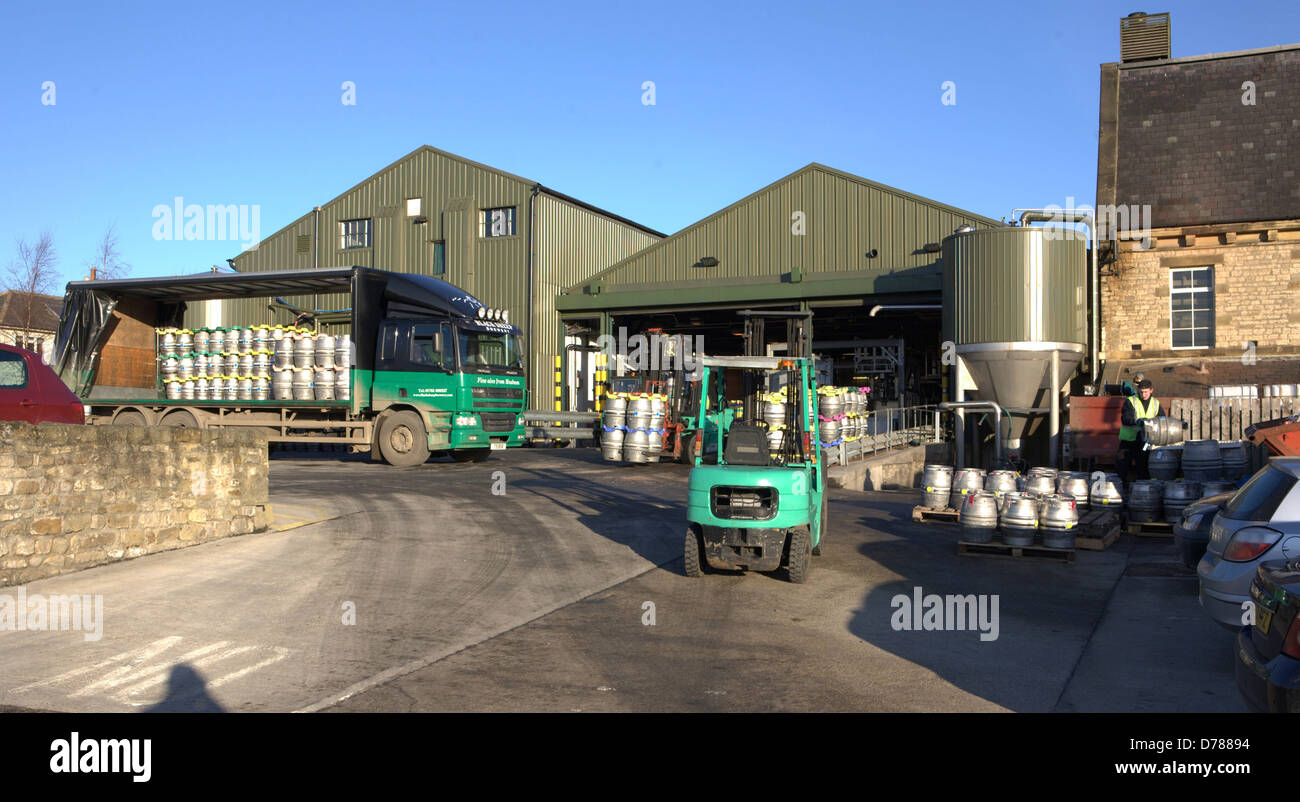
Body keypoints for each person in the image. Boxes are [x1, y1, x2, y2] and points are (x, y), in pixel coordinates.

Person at [1117, 378, 1163, 483]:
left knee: (1142, 469)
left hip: (1144, 442)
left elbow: (1162, 419)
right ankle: (1121, 489)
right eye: (1141, 392)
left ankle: (1142, 490)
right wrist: (1138, 421)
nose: (1144, 395)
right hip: (1128, 441)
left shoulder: (1155, 403)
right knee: (1122, 467)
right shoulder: (1131, 401)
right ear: (1138, 390)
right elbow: (1125, 419)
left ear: (1151, 390)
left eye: (1146, 392)